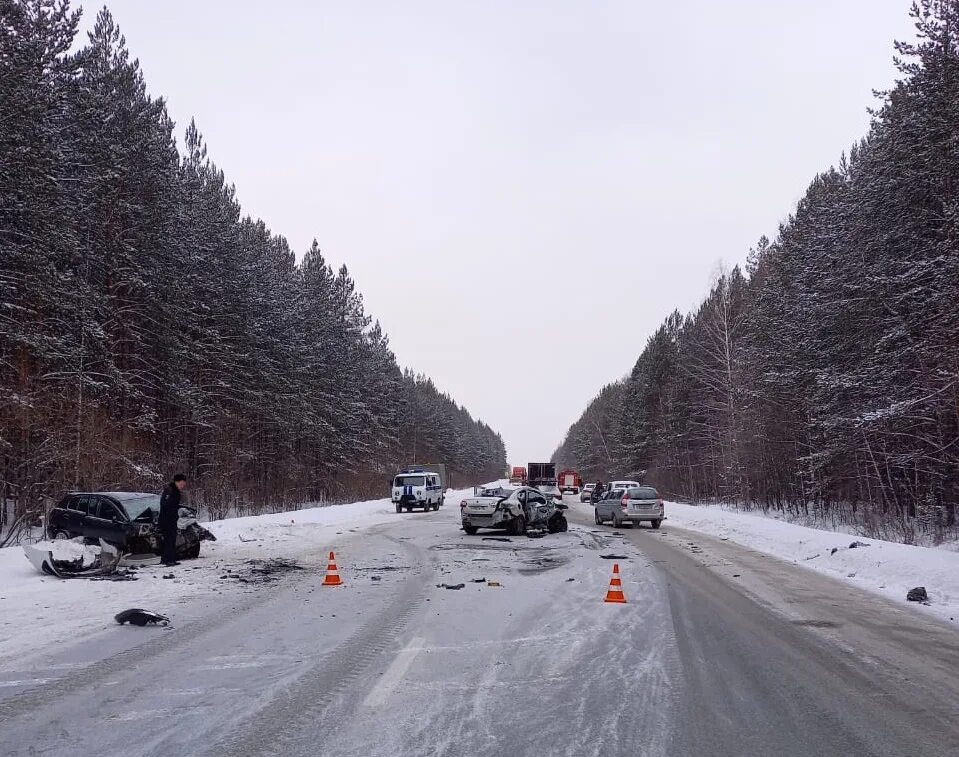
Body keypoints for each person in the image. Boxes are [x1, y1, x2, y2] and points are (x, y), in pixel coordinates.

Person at [159, 474, 187, 566]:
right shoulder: (170, 491)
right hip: (166, 519)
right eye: (181, 484)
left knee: (172, 539)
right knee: (169, 539)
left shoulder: (175, 491)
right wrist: (172, 512)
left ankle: (170, 558)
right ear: (177, 482)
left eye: (184, 484)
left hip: (172, 519)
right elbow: (165, 504)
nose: (182, 486)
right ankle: (167, 559)